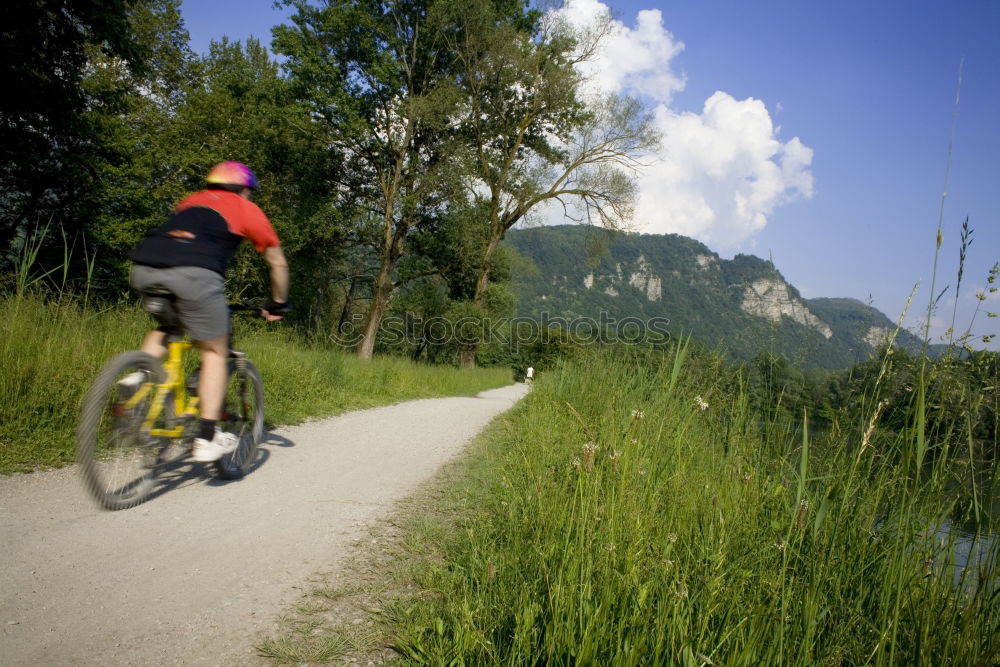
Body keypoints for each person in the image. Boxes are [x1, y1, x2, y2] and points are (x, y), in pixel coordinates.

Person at [128, 161, 289, 462]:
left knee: (168, 327)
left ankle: (136, 380)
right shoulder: (245, 208)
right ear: (244, 189)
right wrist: (278, 303)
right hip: (194, 275)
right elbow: (277, 263)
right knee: (215, 351)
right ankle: (206, 437)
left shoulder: (190, 201)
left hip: (144, 266)